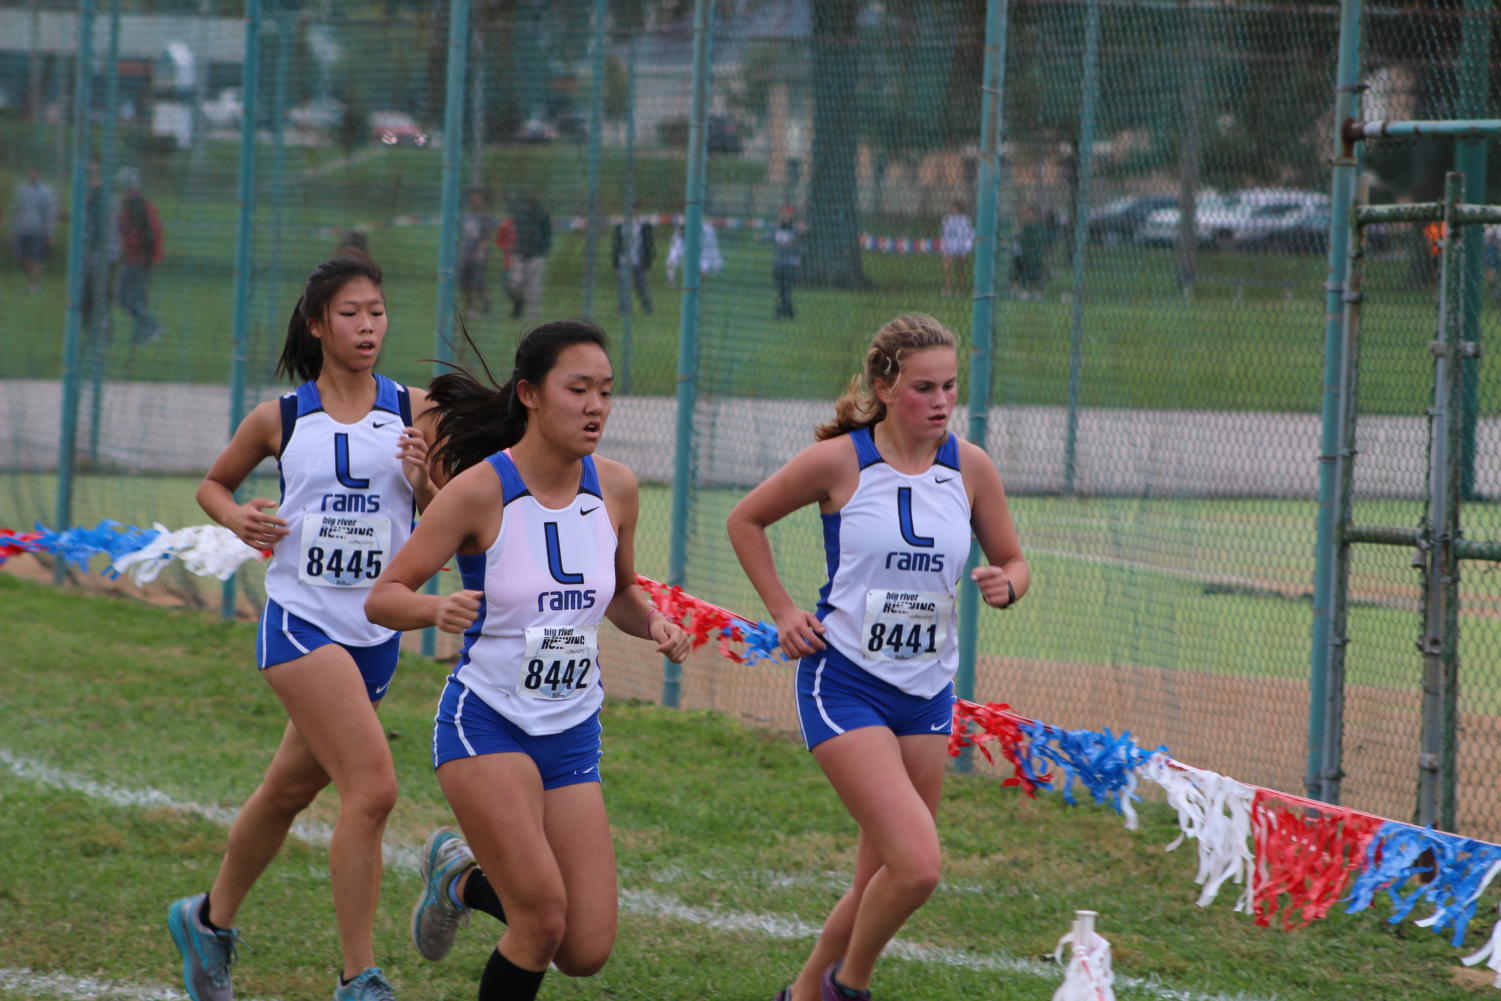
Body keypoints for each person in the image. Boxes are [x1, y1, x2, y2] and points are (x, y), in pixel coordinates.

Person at [364, 319, 692, 1001]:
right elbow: (384, 596)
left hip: (570, 729)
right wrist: (433, 609)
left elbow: (621, 593)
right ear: (530, 395)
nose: (596, 405)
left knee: (585, 947)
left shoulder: (618, 489)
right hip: (486, 723)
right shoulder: (479, 492)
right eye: (578, 388)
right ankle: (472, 879)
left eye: (605, 390)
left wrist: (655, 622)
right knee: (541, 917)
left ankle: (458, 878)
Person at [725, 313, 1028, 1001]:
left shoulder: (969, 466)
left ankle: (804, 995)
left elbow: (1012, 558)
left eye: (951, 387)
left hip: (925, 692)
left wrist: (1007, 582)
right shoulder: (840, 462)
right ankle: (847, 987)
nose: (942, 402)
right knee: (917, 867)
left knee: (879, 876)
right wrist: (781, 608)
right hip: (846, 682)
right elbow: (744, 519)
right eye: (925, 387)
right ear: (883, 386)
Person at [167, 249, 438, 1001]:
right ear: (318, 324)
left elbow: (449, 509)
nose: (366, 326)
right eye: (350, 314)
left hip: (375, 634)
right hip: (300, 624)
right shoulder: (280, 417)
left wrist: (425, 480)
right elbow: (213, 484)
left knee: (287, 792)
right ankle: (359, 977)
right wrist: (238, 516)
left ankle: (207, 920)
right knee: (374, 789)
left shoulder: (417, 410)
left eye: (376, 312)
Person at [116, 166, 164, 343]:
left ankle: (152, 325)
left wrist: (138, 255)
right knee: (137, 297)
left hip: (138, 258)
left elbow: (139, 234)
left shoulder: (134, 205)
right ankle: (141, 333)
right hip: (142, 257)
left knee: (124, 297)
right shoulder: (142, 203)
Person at [10, 166, 56, 294]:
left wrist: (50, 233)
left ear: (38, 174)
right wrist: (14, 229)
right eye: (30, 172)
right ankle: (32, 276)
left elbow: (50, 214)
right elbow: (17, 210)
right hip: (23, 229)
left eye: (34, 173)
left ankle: (33, 286)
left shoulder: (46, 192)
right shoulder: (22, 190)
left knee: (36, 258)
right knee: (19, 257)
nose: (32, 175)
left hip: (38, 231)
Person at [512, 194, 552, 321]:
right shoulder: (520, 217)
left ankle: (532, 313)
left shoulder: (542, 216)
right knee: (515, 284)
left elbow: (547, 235)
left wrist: (543, 250)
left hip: (536, 255)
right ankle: (518, 306)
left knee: (534, 286)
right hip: (520, 254)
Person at [459, 187, 497, 316]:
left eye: (477, 199)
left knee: (477, 283)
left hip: (477, 255)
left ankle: (486, 300)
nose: (474, 201)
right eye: (473, 199)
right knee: (464, 284)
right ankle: (470, 308)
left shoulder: (485, 217)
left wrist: (482, 252)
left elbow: (486, 237)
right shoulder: (466, 216)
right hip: (465, 255)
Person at [611, 213, 654, 316]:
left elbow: (648, 245)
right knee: (623, 286)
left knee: (641, 285)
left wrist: (647, 265)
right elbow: (616, 245)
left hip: (638, 261)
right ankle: (624, 309)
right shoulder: (621, 225)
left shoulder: (643, 226)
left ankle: (647, 306)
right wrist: (616, 264)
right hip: (623, 261)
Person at [665, 219, 723, 285]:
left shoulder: (705, 234)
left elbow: (705, 253)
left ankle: (699, 278)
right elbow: (672, 258)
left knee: (711, 268)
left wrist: (702, 271)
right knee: (671, 261)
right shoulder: (679, 236)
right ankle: (671, 280)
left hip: (704, 246)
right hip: (683, 243)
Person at [770, 204, 801, 320]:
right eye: (782, 215)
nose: (784, 217)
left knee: (787, 289)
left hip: (790, 264)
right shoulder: (776, 228)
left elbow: (800, 247)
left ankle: (782, 311)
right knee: (781, 288)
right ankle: (789, 311)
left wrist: (791, 244)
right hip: (779, 263)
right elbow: (769, 236)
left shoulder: (796, 230)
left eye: (787, 215)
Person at [939, 200, 974, 299]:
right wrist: (944, 246)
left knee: (960, 270)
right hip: (949, 247)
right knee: (947, 269)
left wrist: (967, 247)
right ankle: (947, 289)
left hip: (960, 247)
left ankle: (960, 289)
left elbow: (969, 234)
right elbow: (944, 234)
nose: (952, 209)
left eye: (954, 207)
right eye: (951, 207)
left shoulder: (965, 220)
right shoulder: (946, 220)